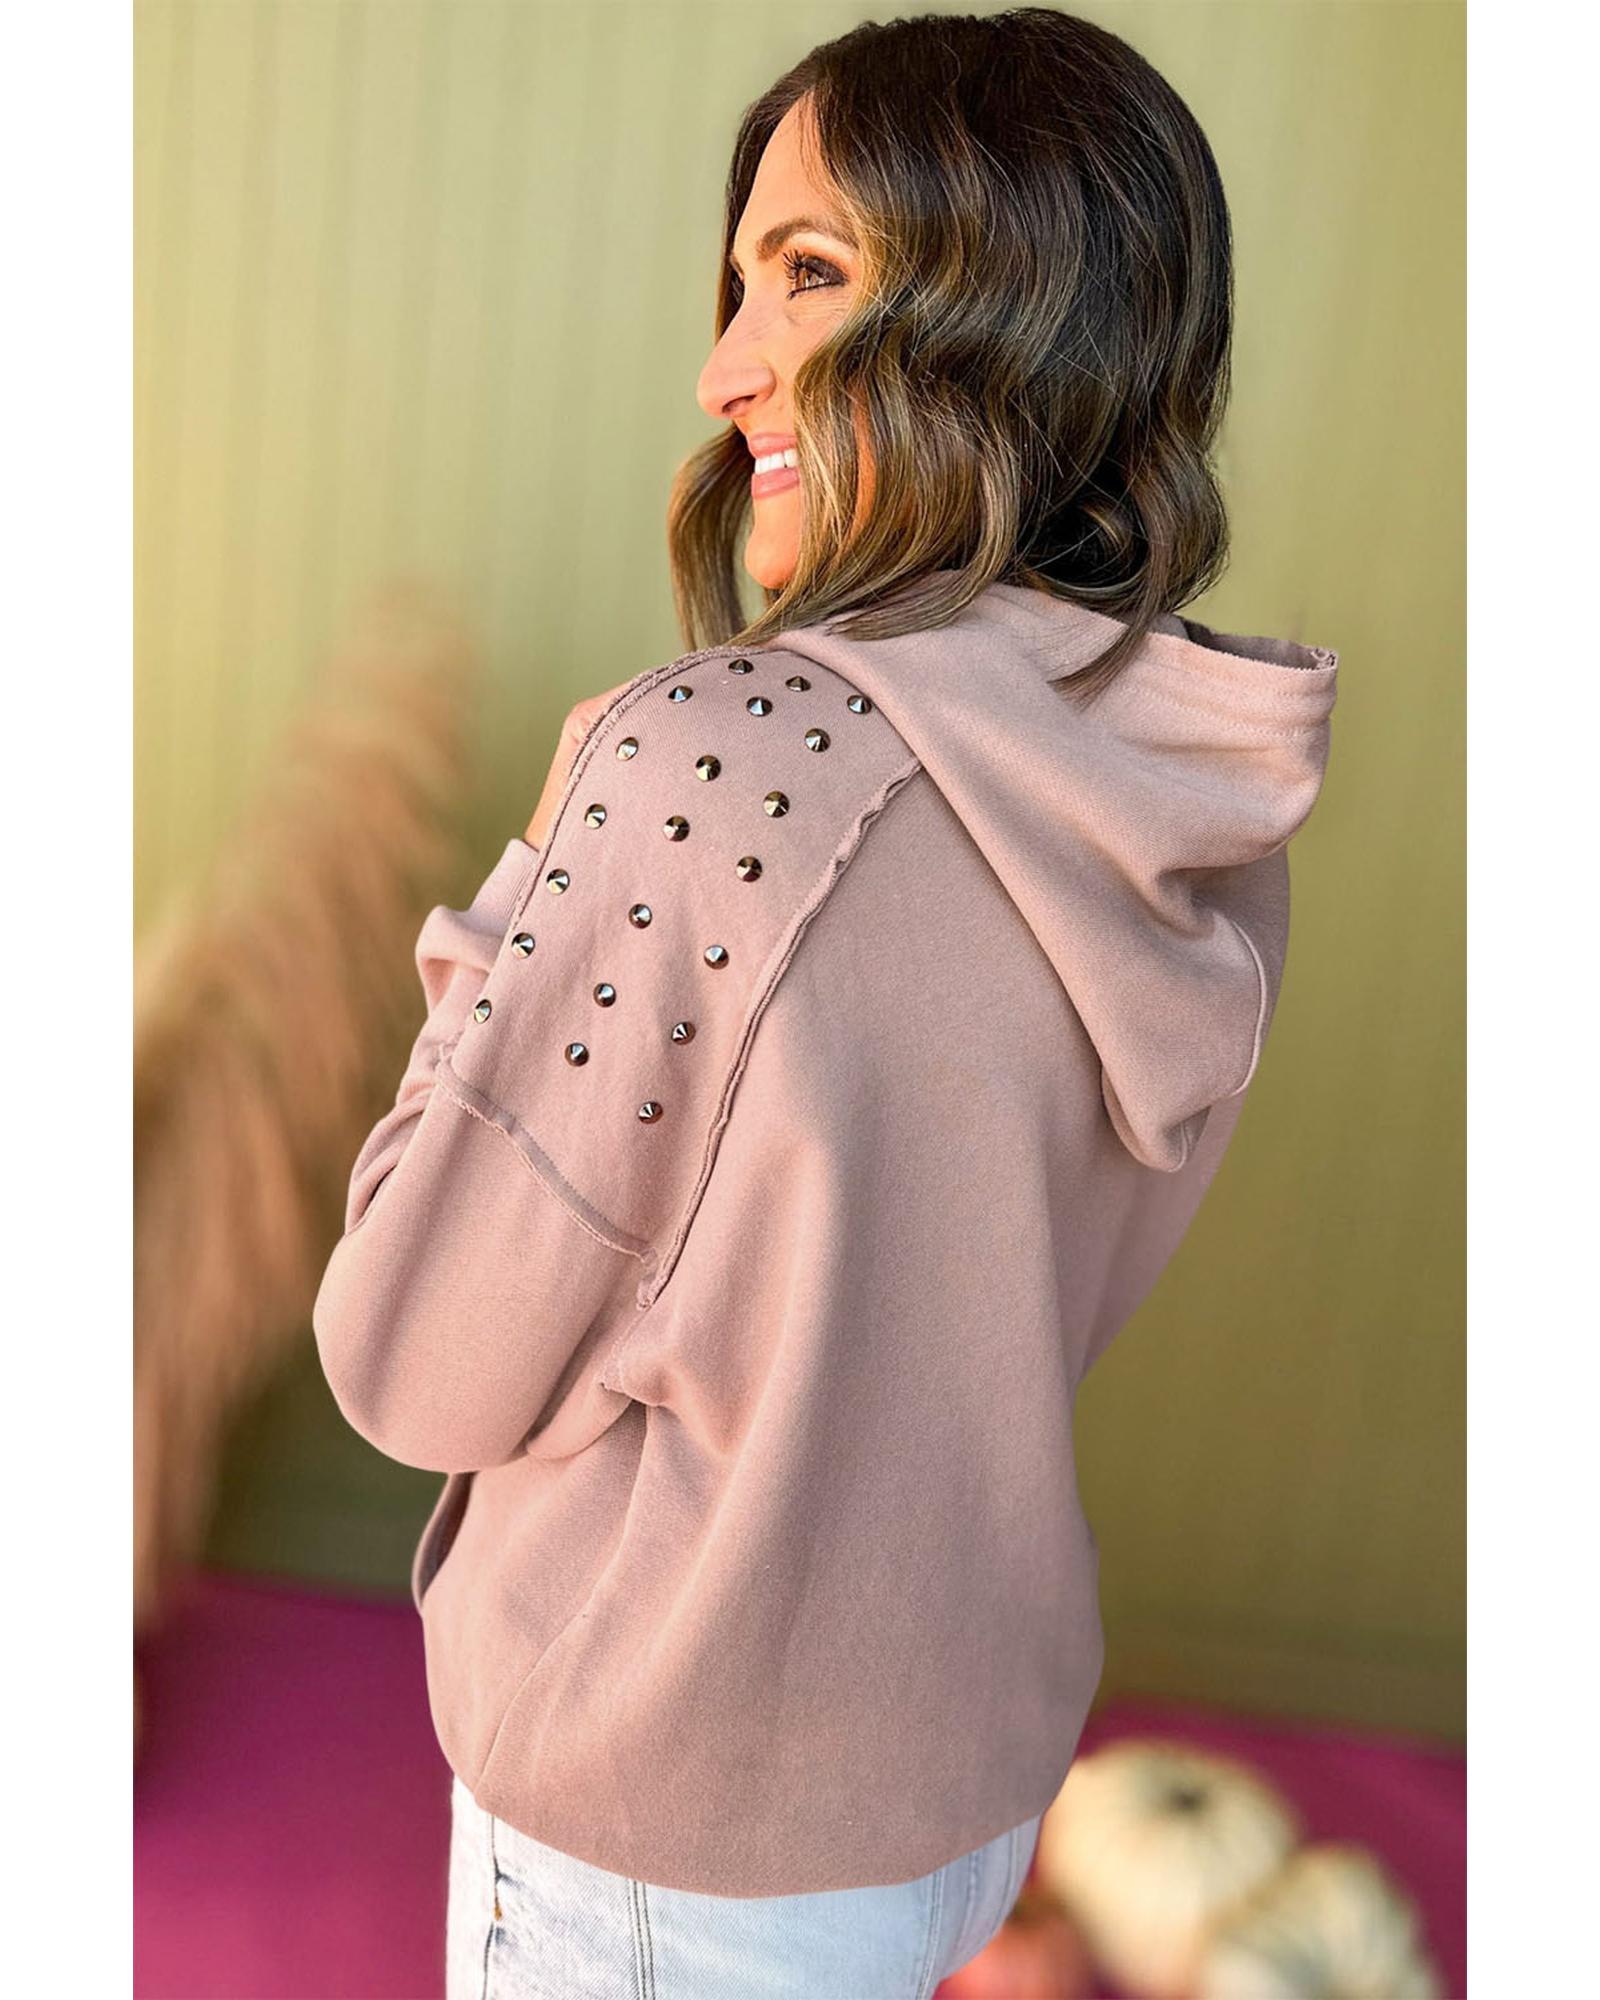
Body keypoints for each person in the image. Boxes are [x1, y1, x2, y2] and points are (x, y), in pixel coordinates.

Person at [311, 9, 1341, 1995]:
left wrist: (530, 889)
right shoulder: (1187, 787)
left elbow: (408, 1357)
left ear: (1012, 308)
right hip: (961, 1784)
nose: (722, 370)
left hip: (664, 1834)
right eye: (736, 285)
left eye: (806, 272)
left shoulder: (709, 765)